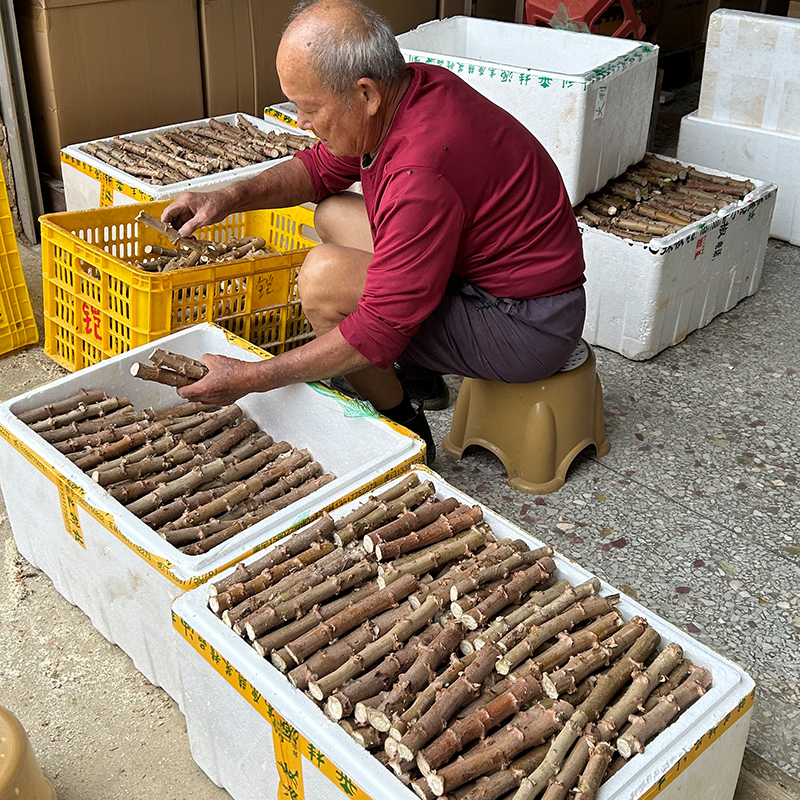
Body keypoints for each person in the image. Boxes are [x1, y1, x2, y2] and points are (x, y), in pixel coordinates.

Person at [162, 0, 586, 463]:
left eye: (309, 107)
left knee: (324, 281)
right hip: (482, 276)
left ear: (365, 94)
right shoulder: (406, 89)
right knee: (332, 214)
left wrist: (251, 378)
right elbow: (319, 170)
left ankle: (404, 423)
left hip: (525, 323)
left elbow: (377, 329)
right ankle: (421, 374)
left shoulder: (420, 172)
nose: (301, 122)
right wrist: (225, 197)